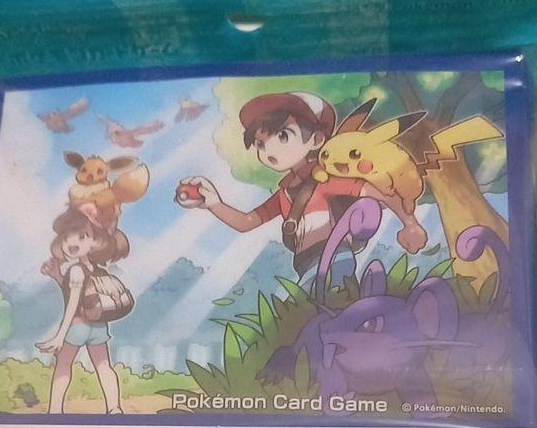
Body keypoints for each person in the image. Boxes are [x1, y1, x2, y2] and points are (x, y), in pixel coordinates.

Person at [178, 91, 426, 289]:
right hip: (305, 262)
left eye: (283, 136)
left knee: (331, 303)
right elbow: (248, 222)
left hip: (334, 254)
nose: (269, 150)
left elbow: (375, 193)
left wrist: (410, 224)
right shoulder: (285, 193)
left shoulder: (325, 179)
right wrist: (213, 203)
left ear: (316, 140)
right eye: (260, 144)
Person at [38, 207, 130, 415]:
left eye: (82, 236)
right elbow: (77, 295)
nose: (73, 243)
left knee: (63, 366)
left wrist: (60, 336)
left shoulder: (76, 270)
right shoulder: (97, 269)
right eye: (67, 237)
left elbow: (73, 304)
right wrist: (57, 277)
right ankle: (114, 408)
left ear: (94, 241)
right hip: (99, 327)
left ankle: (55, 411)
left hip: (77, 327)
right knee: (104, 366)